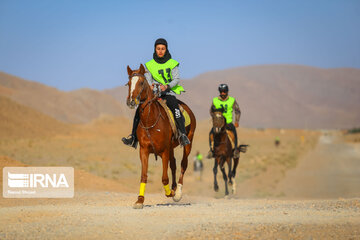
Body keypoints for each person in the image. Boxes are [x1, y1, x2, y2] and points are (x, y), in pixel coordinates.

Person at [122, 38, 190, 148]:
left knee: (175, 109)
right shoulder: (149, 65)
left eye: (163, 49)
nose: (160, 51)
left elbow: (176, 79)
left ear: (166, 49)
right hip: (154, 94)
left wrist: (166, 86)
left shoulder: (173, 63)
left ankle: (182, 134)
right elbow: (148, 79)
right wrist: (151, 85)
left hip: (169, 93)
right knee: (139, 111)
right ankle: (133, 137)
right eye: (158, 48)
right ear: (155, 49)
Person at [208, 83, 241, 158]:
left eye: (224, 91)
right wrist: (215, 118)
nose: (222, 93)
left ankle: (235, 150)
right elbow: (211, 111)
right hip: (218, 124)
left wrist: (236, 121)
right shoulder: (215, 100)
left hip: (228, 123)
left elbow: (237, 111)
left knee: (234, 134)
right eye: (221, 91)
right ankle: (211, 150)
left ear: (227, 91)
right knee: (211, 134)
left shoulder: (232, 100)